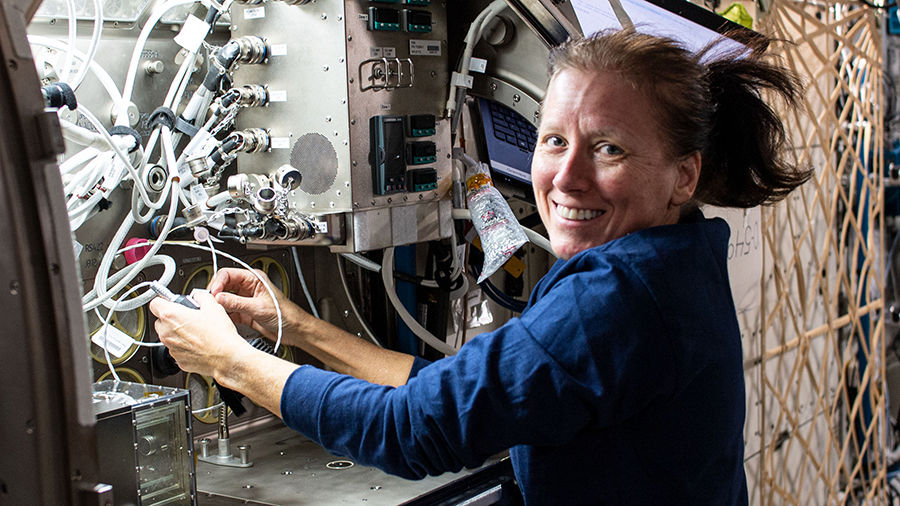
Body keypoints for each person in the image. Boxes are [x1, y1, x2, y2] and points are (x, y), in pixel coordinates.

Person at [150, 28, 812, 504]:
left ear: (682, 175)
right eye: (554, 141)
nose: (565, 177)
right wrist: (296, 328)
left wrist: (229, 361)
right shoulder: (672, 259)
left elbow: (414, 429)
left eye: (608, 148)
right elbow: (456, 392)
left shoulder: (618, 297)